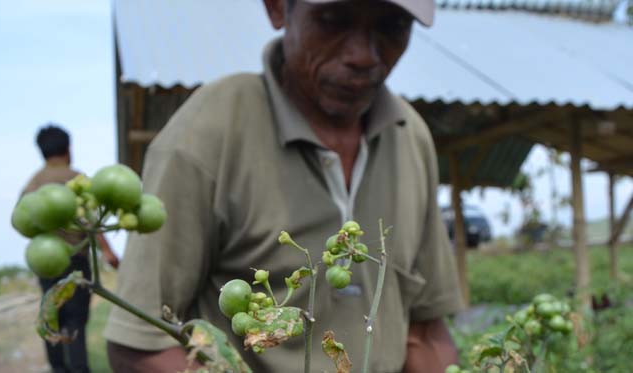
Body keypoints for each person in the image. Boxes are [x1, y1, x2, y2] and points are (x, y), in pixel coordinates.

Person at [104, 0, 464, 371]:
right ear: (278, 8)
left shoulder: (409, 138)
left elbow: (423, 331)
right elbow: (141, 343)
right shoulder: (210, 131)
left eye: (392, 26)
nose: (363, 55)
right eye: (333, 20)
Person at [21, 124, 120, 373]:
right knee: (75, 321)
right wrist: (108, 253)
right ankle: (78, 368)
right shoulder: (76, 180)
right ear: (68, 149)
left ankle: (57, 368)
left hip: (46, 264)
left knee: (51, 317)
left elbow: (23, 222)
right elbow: (91, 221)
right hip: (76, 260)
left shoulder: (33, 183)